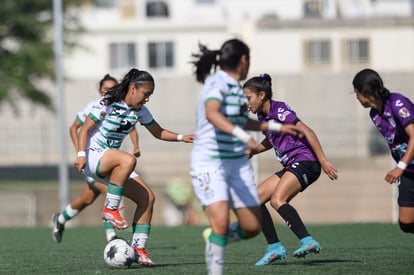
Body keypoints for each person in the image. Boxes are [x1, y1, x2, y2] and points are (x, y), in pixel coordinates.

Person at [190, 39, 303, 275]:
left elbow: (241, 120)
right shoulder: (217, 83)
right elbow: (213, 114)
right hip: (210, 162)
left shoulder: (235, 87)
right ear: (244, 60)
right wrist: (244, 136)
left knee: (251, 226)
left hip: (236, 163)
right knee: (220, 223)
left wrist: (278, 127)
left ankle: (215, 240)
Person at [74, 68, 194, 266]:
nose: (147, 99)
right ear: (133, 89)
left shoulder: (140, 111)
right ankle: (110, 209)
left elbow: (158, 132)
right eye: (146, 94)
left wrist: (182, 137)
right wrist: (80, 155)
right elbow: (84, 129)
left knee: (147, 198)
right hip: (93, 156)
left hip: (113, 163)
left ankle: (139, 250)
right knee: (128, 160)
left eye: (150, 96)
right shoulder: (107, 103)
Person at [242, 73, 338, 266]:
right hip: (291, 164)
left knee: (278, 200)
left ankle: (307, 241)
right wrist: (254, 150)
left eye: (248, 98)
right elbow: (272, 139)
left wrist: (323, 160)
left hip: (306, 162)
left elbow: (307, 131)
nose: (246, 103)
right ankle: (274, 248)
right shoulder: (262, 115)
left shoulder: (280, 110)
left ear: (262, 95)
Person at [52, 74, 141, 244]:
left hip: (109, 160)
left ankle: (60, 219)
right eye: (106, 89)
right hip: (93, 158)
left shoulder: (123, 107)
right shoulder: (94, 107)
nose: (109, 91)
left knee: (87, 199)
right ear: (100, 91)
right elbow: (75, 128)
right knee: (109, 191)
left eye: (113, 88)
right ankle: (111, 237)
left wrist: (136, 145)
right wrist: (81, 152)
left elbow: (131, 127)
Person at [353, 68, 414, 234]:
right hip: (409, 170)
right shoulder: (374, 113)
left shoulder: (397, 103)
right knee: (406, 223)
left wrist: (400, 167)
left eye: (356, 93)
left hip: (405, 167)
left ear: (365, 92)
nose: (356, 97)